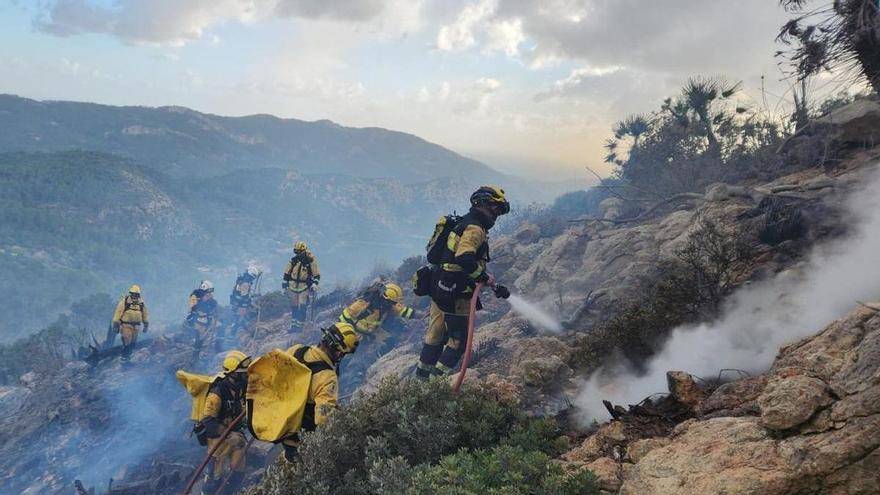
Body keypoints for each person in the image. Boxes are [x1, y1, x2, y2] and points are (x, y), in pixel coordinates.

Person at [415, 186, 511, 379]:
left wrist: (487, 279)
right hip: (456, 292)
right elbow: (464, 258)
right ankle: (435, 385)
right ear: (481, 203)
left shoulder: (462, 222)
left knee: (435, 335)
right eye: (494, 208)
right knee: (458, 341)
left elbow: (456, 258)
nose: (496, 214)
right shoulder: (475, 228)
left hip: (439, 285)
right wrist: (483, 277)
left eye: (500, 211)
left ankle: (420, 380)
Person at [281, 322, 359, 461]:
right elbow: (323, 419)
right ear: (338, 351)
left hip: (279, 423)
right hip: (300, 439)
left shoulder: (297, 350)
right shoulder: (327, 377)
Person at [200, 350, 251, 495]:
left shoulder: (239, 389)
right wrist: (229, 435)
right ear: (232, 374)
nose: (245, 376)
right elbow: (208, 421)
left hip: (237, 439)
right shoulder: (216, 394)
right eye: (242, 374)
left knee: (238, 473)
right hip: (219, 443)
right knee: (214, 479)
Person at [338, 282, 416, 357]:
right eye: (394, 302)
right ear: (388, 299)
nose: (395, 304)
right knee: (354, 352)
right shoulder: (364, 303)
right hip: (357, 332)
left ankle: (379, 356)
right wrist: (348, 332)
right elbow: (344, 317)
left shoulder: (387, 305)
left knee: (390, 341)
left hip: (372, 332)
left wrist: (416, 315)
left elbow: (402, 310)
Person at [282, 241, 320, 333]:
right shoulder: (294, 260)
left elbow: (316, 274)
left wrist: (315, 283)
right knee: (294, 308)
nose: (297, 254)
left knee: (302, 307)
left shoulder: (310, 260)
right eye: (296, 252)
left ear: (304, 251)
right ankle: (293, 327)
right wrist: (285, 284)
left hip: (304, 287)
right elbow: (287, 273)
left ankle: (299, 328)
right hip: (292, 286)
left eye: (299, 252)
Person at [111, 285, 149, 362]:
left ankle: (128, 357)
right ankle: (124, 358)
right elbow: (118, 313)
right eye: (133, 294)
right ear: (131, 293)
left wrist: (146, 324)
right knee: (127, 340)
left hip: (136, 326)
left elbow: (144, 314)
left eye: (136, 294)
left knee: (133, 343)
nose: (135, 296)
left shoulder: (141, 303)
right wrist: (115, 324)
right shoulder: (125, 301)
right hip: (126, 325)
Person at [187, 280, 218, 350]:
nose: (210, 294)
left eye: (210, 292)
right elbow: (195, 308)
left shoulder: (210, 300)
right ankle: (196, 351)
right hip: (197, 321)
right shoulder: (195, 297)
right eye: (208, 292)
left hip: (206, 322)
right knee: (199, 339)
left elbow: (213, 306)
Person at [229, 265, 261, 333]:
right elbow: (244, 296)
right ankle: (235, 331)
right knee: (240, 318)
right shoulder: (245, 283)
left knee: (239, 318)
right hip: (240, 304)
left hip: (236, 302)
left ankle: (238, 328)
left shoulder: (242, 281)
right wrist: (253, 304)